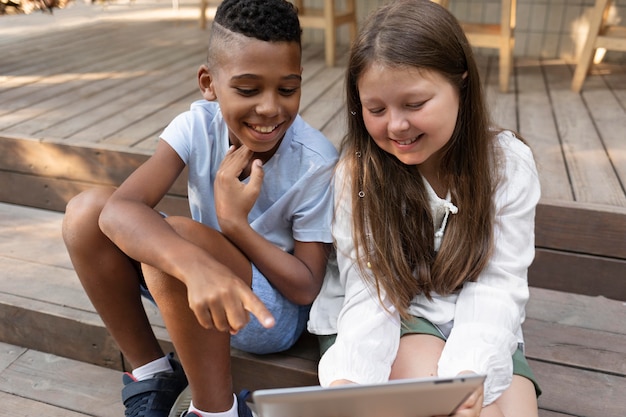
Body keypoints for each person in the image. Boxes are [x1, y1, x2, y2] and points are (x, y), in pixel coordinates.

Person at [62, 1, 338, 417]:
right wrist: (193, 266)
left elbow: (306, 287)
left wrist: (233, 224)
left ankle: (216, 410)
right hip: (200, 283)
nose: (269, 108)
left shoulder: (315, 161)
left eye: (287, 88)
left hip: (269, 314)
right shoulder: (196, 125)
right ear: (209, 83)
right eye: (248, 89)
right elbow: (117, 211)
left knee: (176, 237)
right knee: (86, 212)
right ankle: (152, 372)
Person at [307, 1, 542, 416]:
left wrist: (470, 373)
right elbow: (370, 291)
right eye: (376, 110)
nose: (396, 125)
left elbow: (498, 284)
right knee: (455, 407)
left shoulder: (506, 164)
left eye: (414, 105)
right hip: (389, 316)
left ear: (461, 86)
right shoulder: (359, 175)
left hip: (481, 317)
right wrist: (350, 383)